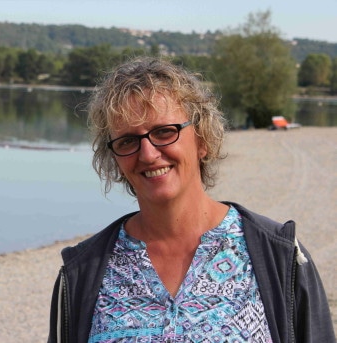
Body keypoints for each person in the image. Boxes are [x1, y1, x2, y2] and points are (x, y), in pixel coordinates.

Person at [48, 56, 335, 343]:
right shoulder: (81, 273)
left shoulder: (280, 256)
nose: (147, 154)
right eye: (128, 141)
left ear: (203, 139)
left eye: (164, 132)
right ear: (115, 159)